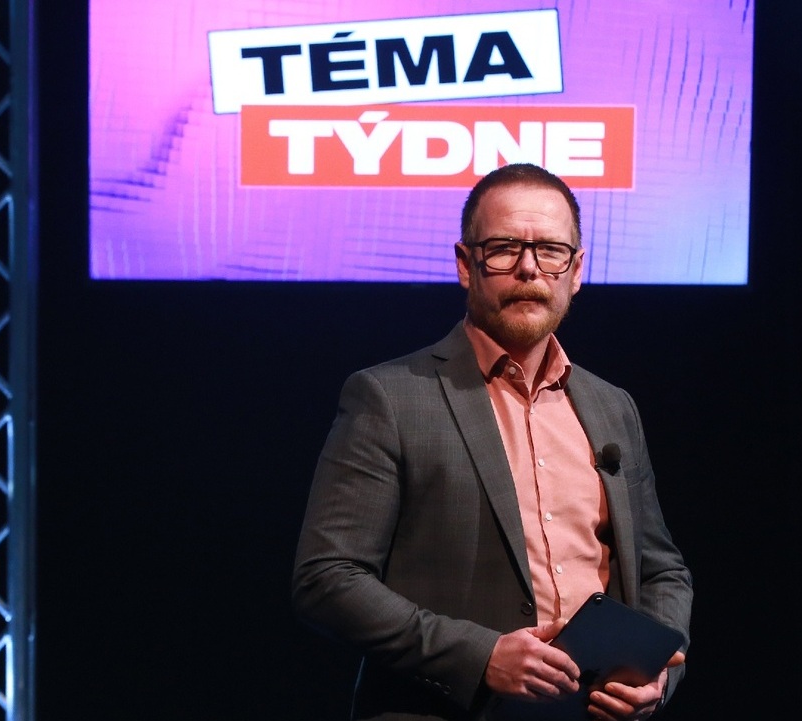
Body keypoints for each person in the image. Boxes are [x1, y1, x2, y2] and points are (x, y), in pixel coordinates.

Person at [292, 163, 692, 721]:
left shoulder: (612, 406)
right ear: (465, 264)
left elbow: (661, 571)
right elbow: (327, 579)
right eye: (504, 249)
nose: (529, 268)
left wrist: (655, 671)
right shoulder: (390, 397)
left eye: (550, 250)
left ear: (576, 270)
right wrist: (480, 657)